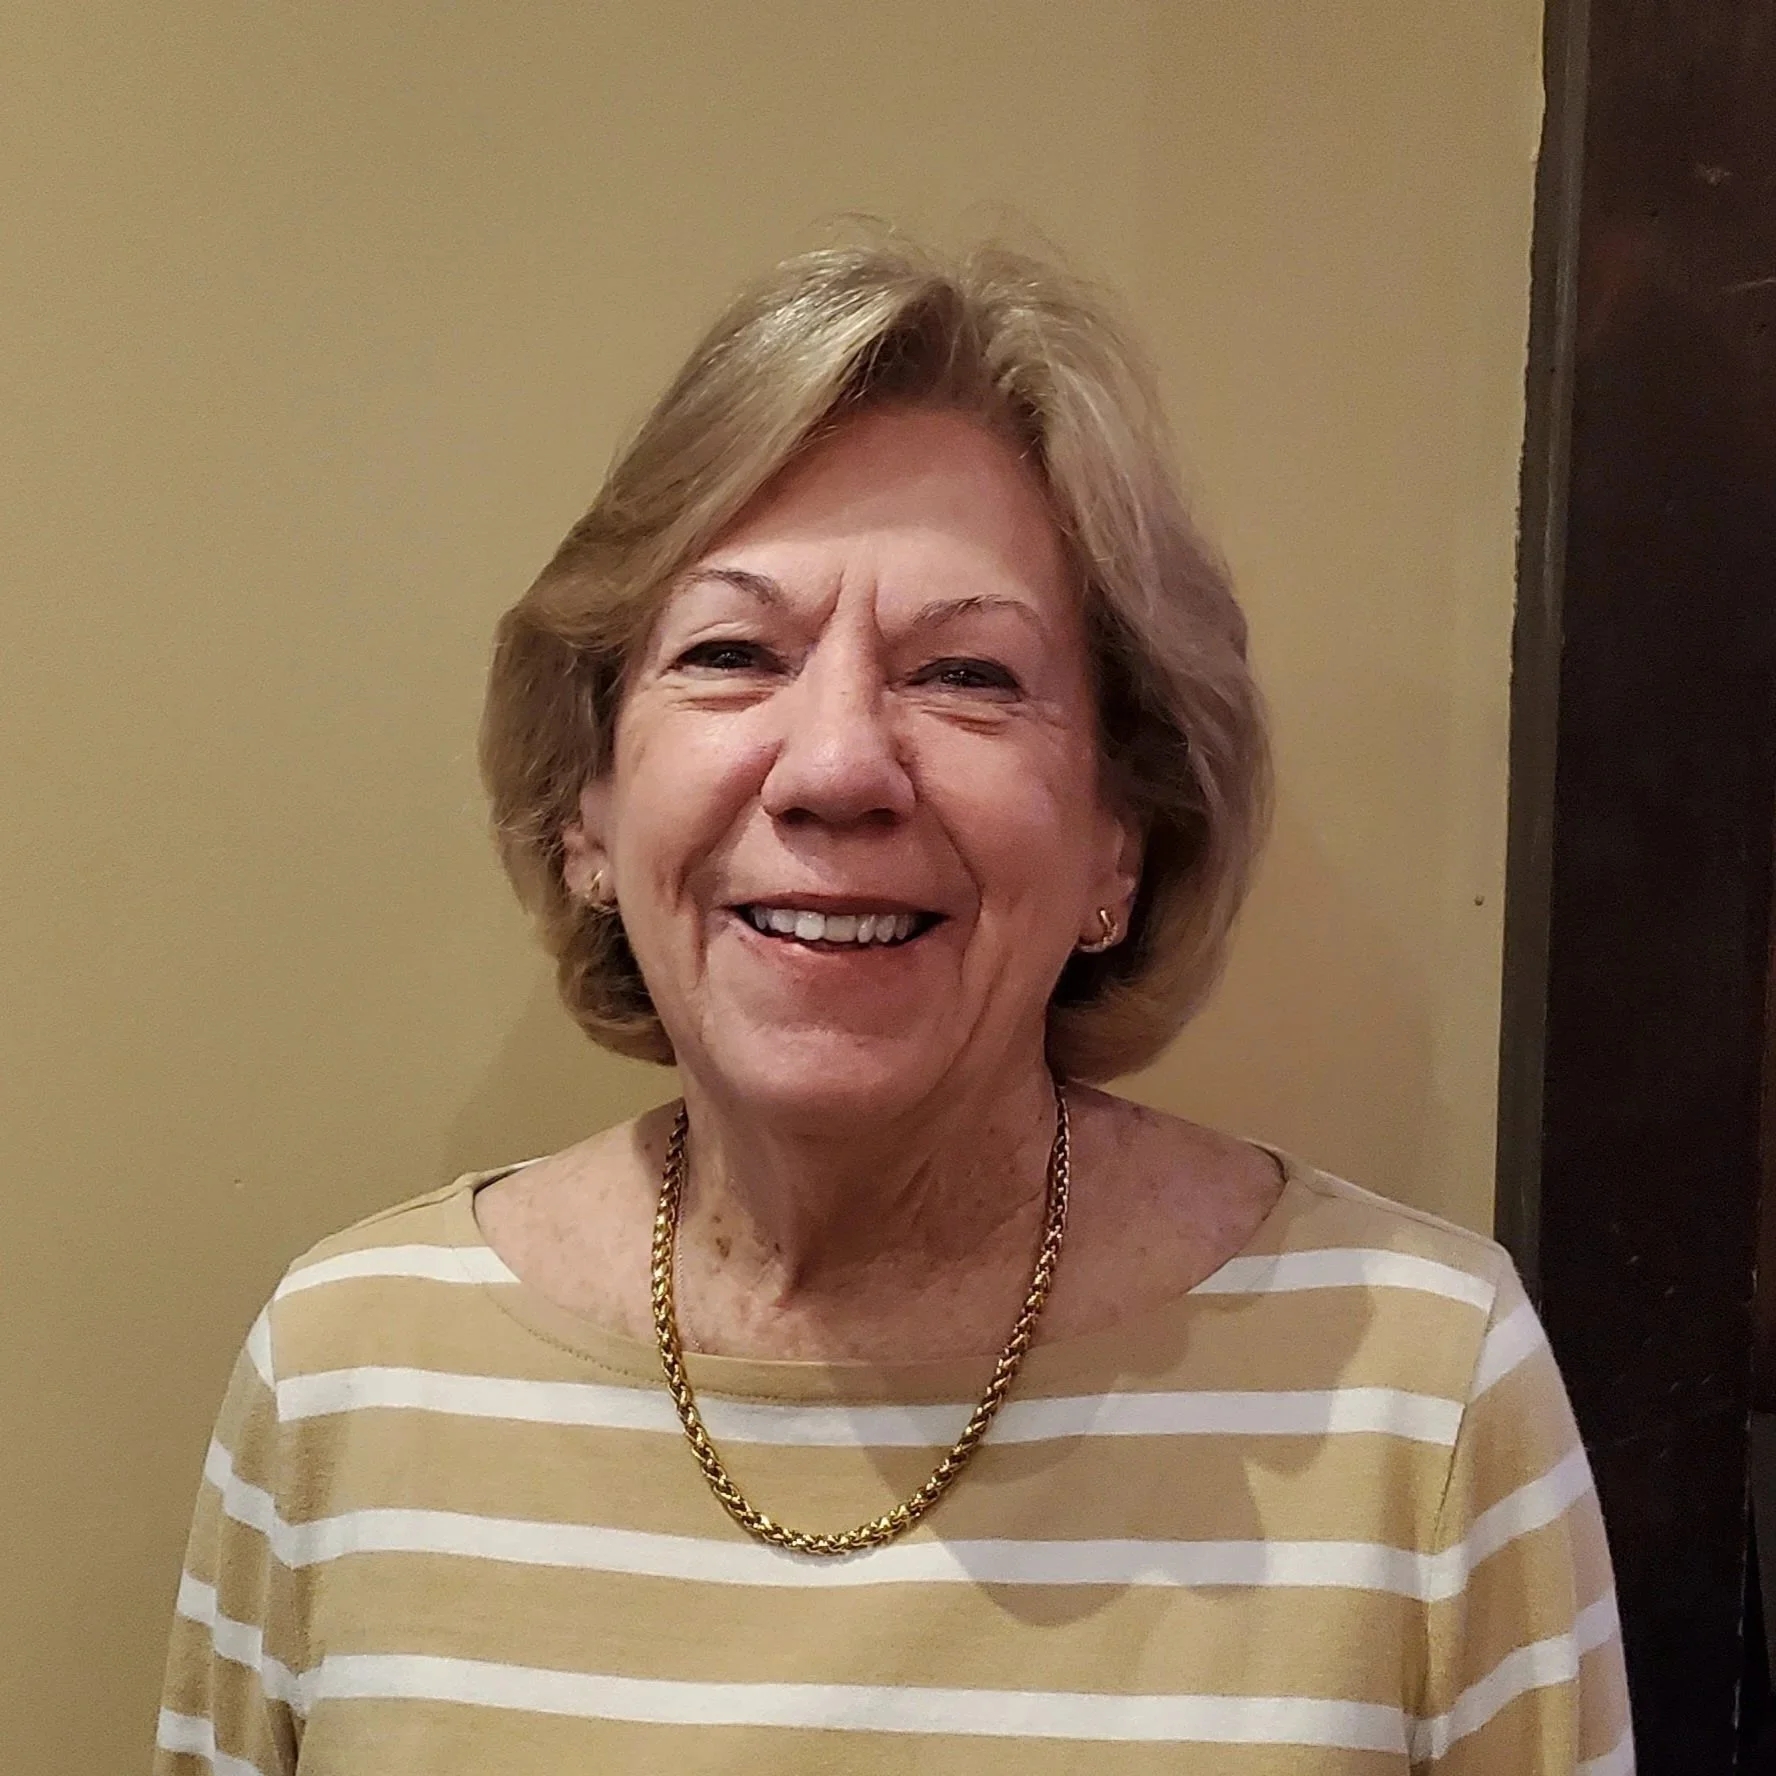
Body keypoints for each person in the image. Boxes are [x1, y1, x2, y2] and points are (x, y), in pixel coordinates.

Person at [154, 239, 1631, 1775]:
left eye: (969, 675)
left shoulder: (1423, 1398)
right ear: (589, 807)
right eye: (732, 654)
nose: (838, 767)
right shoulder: (350, 1373)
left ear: (1118, 839)